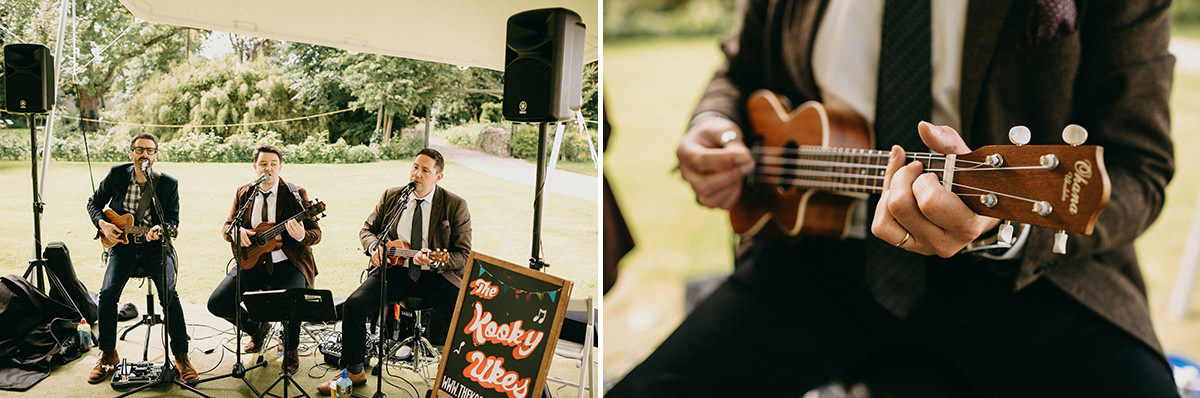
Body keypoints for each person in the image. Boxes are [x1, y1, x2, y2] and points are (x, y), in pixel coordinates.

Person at [607, 0, 1177, 396]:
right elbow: (738, 67)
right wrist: (713, 122)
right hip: (811, 264)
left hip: (1027, 277)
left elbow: (1139, 168)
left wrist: (1003, 230)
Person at [317, 148, 471, 394]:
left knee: (464, 315)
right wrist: (374, 247)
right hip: (395, 272)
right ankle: (354, 371)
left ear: (438, 177)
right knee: (354, 305)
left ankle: (456, 379)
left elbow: (462, 255)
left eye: (425, 170)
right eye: (414, 167)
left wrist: (433, 260)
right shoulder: (393, 196)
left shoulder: (454, 205)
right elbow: (367, 230)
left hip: (435, 275)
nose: (417, 174)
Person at [85, 132, 197, 383]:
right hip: (122, 247)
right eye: (139, 150)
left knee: (170, 295)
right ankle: (107, 354)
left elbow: (173, 221)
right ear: (131, 153)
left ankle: (181, 356)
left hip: (155, 249)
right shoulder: (116, 175)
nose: (144, 154)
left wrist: (162, 230)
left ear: (155, 156)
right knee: (108, 294)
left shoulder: (168, 184)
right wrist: (103, 224)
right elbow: (93, 203)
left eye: (149, 150)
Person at [208, 145, 322, 375]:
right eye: (263, 164)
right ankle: (256, 327)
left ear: (280, 168)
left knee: (293, 303)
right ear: (255, 167)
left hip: (289, 264)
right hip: (252, 262)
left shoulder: (294, 193)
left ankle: (290, 349)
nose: (268, 169)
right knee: (217, 302)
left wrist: (301, 235)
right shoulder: (244, 192)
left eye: (273, 164)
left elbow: (315, 234)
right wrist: (235, 233)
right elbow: (227, 225)